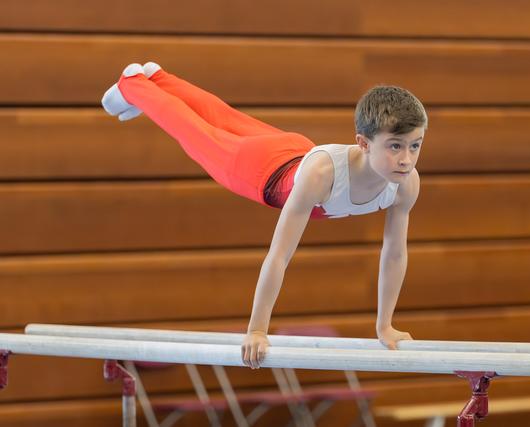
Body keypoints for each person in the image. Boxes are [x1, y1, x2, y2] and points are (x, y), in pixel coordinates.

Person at [102, 63, 428, 369]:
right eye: (395, 146)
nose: (406, 159)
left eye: (415, 146)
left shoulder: (405, 185)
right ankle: (134, 86)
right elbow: (279, 255)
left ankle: (157, 78)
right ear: (363, 143)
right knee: (194, 131)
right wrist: (258, 328)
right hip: (259, 173)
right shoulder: (323, 176)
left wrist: (384, 325)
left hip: (293, 151)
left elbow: (395, 253)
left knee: (224, 117)